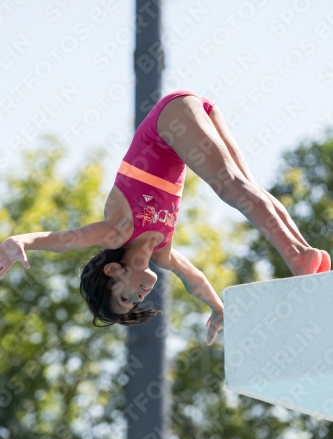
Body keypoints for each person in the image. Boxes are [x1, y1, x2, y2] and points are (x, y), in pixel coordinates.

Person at [0, 90, 330, 346]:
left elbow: (66, 239)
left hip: (168, 122)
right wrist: (218, 308)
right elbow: (195, 281)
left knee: (231, 188)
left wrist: (20, 241)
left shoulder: (117, 232)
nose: (137, 298)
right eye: (133, 304)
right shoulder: (162, 252)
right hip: (198, 116)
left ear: (113, 270)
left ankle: (298, 257)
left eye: (124, 296)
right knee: (248, 187)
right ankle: (305, 251)